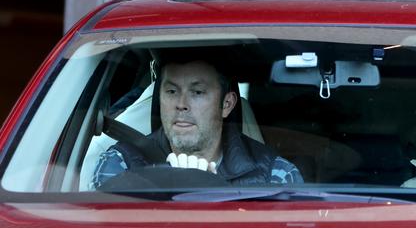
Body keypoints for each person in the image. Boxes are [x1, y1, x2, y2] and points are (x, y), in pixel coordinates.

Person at [92, 53, 303, 189]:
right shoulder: (121, 163)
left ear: (227, 104)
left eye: (197, 92)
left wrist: (206, 192)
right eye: (172, 91)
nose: (181, 104)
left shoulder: (275, 175)